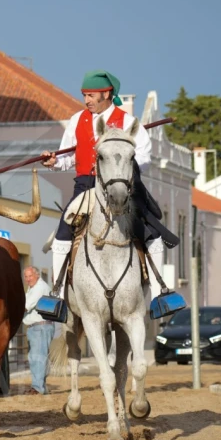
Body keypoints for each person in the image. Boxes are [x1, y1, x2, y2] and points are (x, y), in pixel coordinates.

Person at [42, 69, 182, 318]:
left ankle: (161, 292)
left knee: (152, 235)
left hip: (121, 188)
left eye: (91, 95)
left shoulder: (128, 122)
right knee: (62, 235)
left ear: (107, 93)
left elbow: (144, 157)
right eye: (84, 95)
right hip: (86, 185)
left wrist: (120, 168)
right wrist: (53, 160)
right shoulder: (77, 120)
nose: (87, 100)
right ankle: (57, 296)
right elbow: (67, 157)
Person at [22, 266, 57, 395]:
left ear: (36, 275)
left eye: (30, 276)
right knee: (37, 357)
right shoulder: (32, 288)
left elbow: (25, 306)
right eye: (25, 276)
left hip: (40, 327)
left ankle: (37, 388)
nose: (27, 279)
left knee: (38, 357)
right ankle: (40, 386)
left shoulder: (39, 288)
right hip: (37, 327)